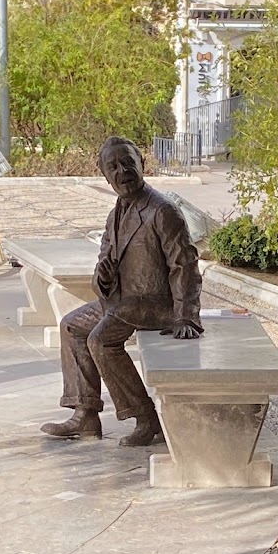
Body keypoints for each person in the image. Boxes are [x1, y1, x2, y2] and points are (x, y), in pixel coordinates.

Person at [41, 136, 203, 447]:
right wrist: (101, 278)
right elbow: (105, 260)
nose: (122, 171)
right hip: (122, 302)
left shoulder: (162, 211)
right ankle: (85, 414)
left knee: (100, 340)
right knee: (72, 326)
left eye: (128, 162)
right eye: (113, 167)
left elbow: (185, 265)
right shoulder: (116, 212)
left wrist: (186, 317)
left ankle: (146, 417)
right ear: (104, 174)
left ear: (142, 164)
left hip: (156, 306)